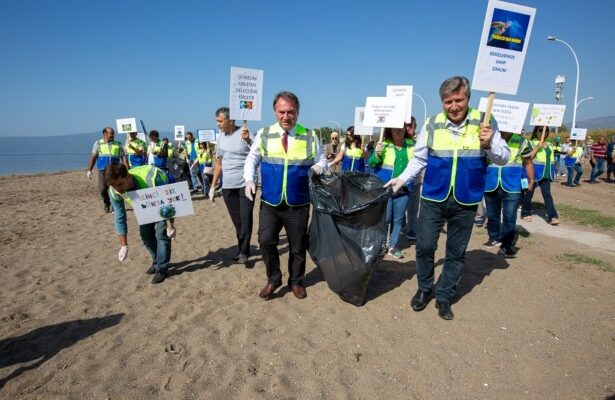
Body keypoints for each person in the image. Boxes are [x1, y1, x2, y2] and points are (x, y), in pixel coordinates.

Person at [384, 76, 510, 320]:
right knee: (425, 245)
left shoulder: (485, 122)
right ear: (442, 101)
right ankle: (424, 288)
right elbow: (419, 159)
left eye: (458, 100)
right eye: (448, 101)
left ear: (468, 98)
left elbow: (503, 157)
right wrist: (401, 180)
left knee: (455, 251)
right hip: (433, 196)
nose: (453, 106)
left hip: (467, 198)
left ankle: (444, 296)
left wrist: (488, 145)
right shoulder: (432, 124)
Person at [244, 91, 327, 300]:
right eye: (282, 112)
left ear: (298, 112)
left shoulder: (310, 135)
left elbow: (322, 160)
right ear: (275, 112)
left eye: (291, 112)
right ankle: (273, 279)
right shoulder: (264, 134)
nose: (286, 116)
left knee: (297, 246)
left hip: (297, 203)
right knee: (265, 241)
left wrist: (318, 168)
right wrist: (249, 179)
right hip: (270, 201)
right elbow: (252, 159)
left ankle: (296, 281)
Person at [105, 163, 172, 284]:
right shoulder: (114, 191)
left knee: (162, 233)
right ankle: (156, 261)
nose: (118, 189)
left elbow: (168, 202)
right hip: (144, 204)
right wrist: (123, 245)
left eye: (120, 184)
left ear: (128, 177)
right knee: (145, 234)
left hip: (162, 194)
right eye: (114, 186)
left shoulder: (152, 179)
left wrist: (170, 225)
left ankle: (162, 268)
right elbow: (120, 217)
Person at [209, 107, 255, 264]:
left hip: (245, 184)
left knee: (245, 218)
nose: (218, 124)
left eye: (220, 121)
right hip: (228, 187)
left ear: (231, 120)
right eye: (217, 121)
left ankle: (243, 251)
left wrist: (249, 140)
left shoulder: (245, 132)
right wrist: (213, 186)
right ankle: (243, 247)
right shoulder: (220, 137)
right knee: (237, 221)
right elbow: (219, 164)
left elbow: (259, 152)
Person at [483, 131, 534, 258]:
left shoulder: (522, 141)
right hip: (491, 182)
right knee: (492, 214)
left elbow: (528, 162)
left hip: (512, 184)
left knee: (510, 215)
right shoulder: (489, 138)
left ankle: (506, 245)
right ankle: (494, 237)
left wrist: (531, 180)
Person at [369, 126, 415, 258]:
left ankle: (392, 246)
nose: (400, 130)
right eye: (396, 129)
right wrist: (376, 154)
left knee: (399, 219)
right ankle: (382, 244)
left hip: (404, 189)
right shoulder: (383, 144)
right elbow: (372, 163)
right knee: (386, 218)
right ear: (390, 131)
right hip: (386, 188)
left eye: (401, 128)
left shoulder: (411, 145)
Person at [520, 126, 559, 225]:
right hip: (534, 172)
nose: (543, 133)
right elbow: (528, 158)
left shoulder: (550, 144)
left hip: (546, 173)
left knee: (547, 195)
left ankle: (552, 216)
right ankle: (525, 213)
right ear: (536, 131)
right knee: (529, 193)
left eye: (545, 131)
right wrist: (537, 147)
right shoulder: (531, 142)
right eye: (541, 130)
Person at [87, 127, 125, 213]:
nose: (113, 135)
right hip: (102, 170)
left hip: (114, 171)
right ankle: (107, 203)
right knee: (102, 189)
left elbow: (123, 157)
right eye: (111, 133)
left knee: (115, 189)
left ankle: (114, 206)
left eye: (113, 133)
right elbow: (93, 157)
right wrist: (89, 170)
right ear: (105, 134)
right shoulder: (98, 143)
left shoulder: (118, 144)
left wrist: (127, 168)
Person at [404, 118, 421, 241]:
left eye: (410, 125)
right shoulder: (400, 141)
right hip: (402, 180)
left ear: (415, 126)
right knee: (400, 207)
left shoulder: (421, 140)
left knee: (413, 207)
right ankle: (400, 226)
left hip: (415, 181)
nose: (408, 128)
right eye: (406, 126)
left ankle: (412, 229)